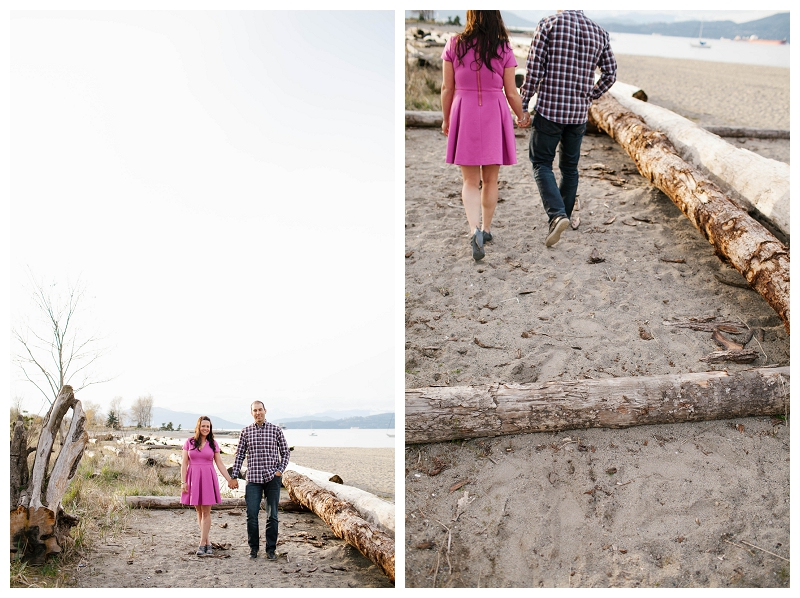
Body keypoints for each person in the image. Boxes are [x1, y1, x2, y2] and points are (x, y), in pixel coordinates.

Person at [520, 10, 617, 247]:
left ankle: (557, 215)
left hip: (550, 110)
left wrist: (523, 103)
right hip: (577, 114)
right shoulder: (599, 32)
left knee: (542, 162)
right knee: (570, 168)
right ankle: (564, 214)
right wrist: (591, 94)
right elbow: (611, 73)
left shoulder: (549, 24)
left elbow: (534, 69)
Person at [441, 10, 530, 262]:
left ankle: (474, 230)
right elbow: (511, 92)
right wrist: (521, 114)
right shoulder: (502, 47)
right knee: (490, 180)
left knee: (469, 181)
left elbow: (448, 87)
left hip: (464, 110)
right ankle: (487, 230)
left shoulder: (454, 44)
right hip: (494, 112)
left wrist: (447, 118)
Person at [230, 401, 290, 561]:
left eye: (260, 410)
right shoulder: (246, 431)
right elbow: (240, 455)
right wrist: (234, 476)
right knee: (251, 515)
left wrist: (279, 471)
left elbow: (285, 452)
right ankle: (253, 549)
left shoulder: (276, 430)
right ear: (252, 413)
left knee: (272, 515)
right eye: (255, 410)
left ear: (265, 410)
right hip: (253, 479)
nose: (258, 413)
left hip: (272, 478)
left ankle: (271, 549)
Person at [181, 416, 238, 557]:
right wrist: (183, 482)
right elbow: (184, 463)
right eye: (203, 426)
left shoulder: (213, 444)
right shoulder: (189, 442)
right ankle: (207, 542)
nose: (206, 428)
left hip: (208, 477)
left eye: (208, 426)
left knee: (206, 511)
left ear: (210, 428)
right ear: (198, 427)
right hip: (193, 477)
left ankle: (201, 543)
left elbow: (219, 464)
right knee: (199, 512)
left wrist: (230, 479)